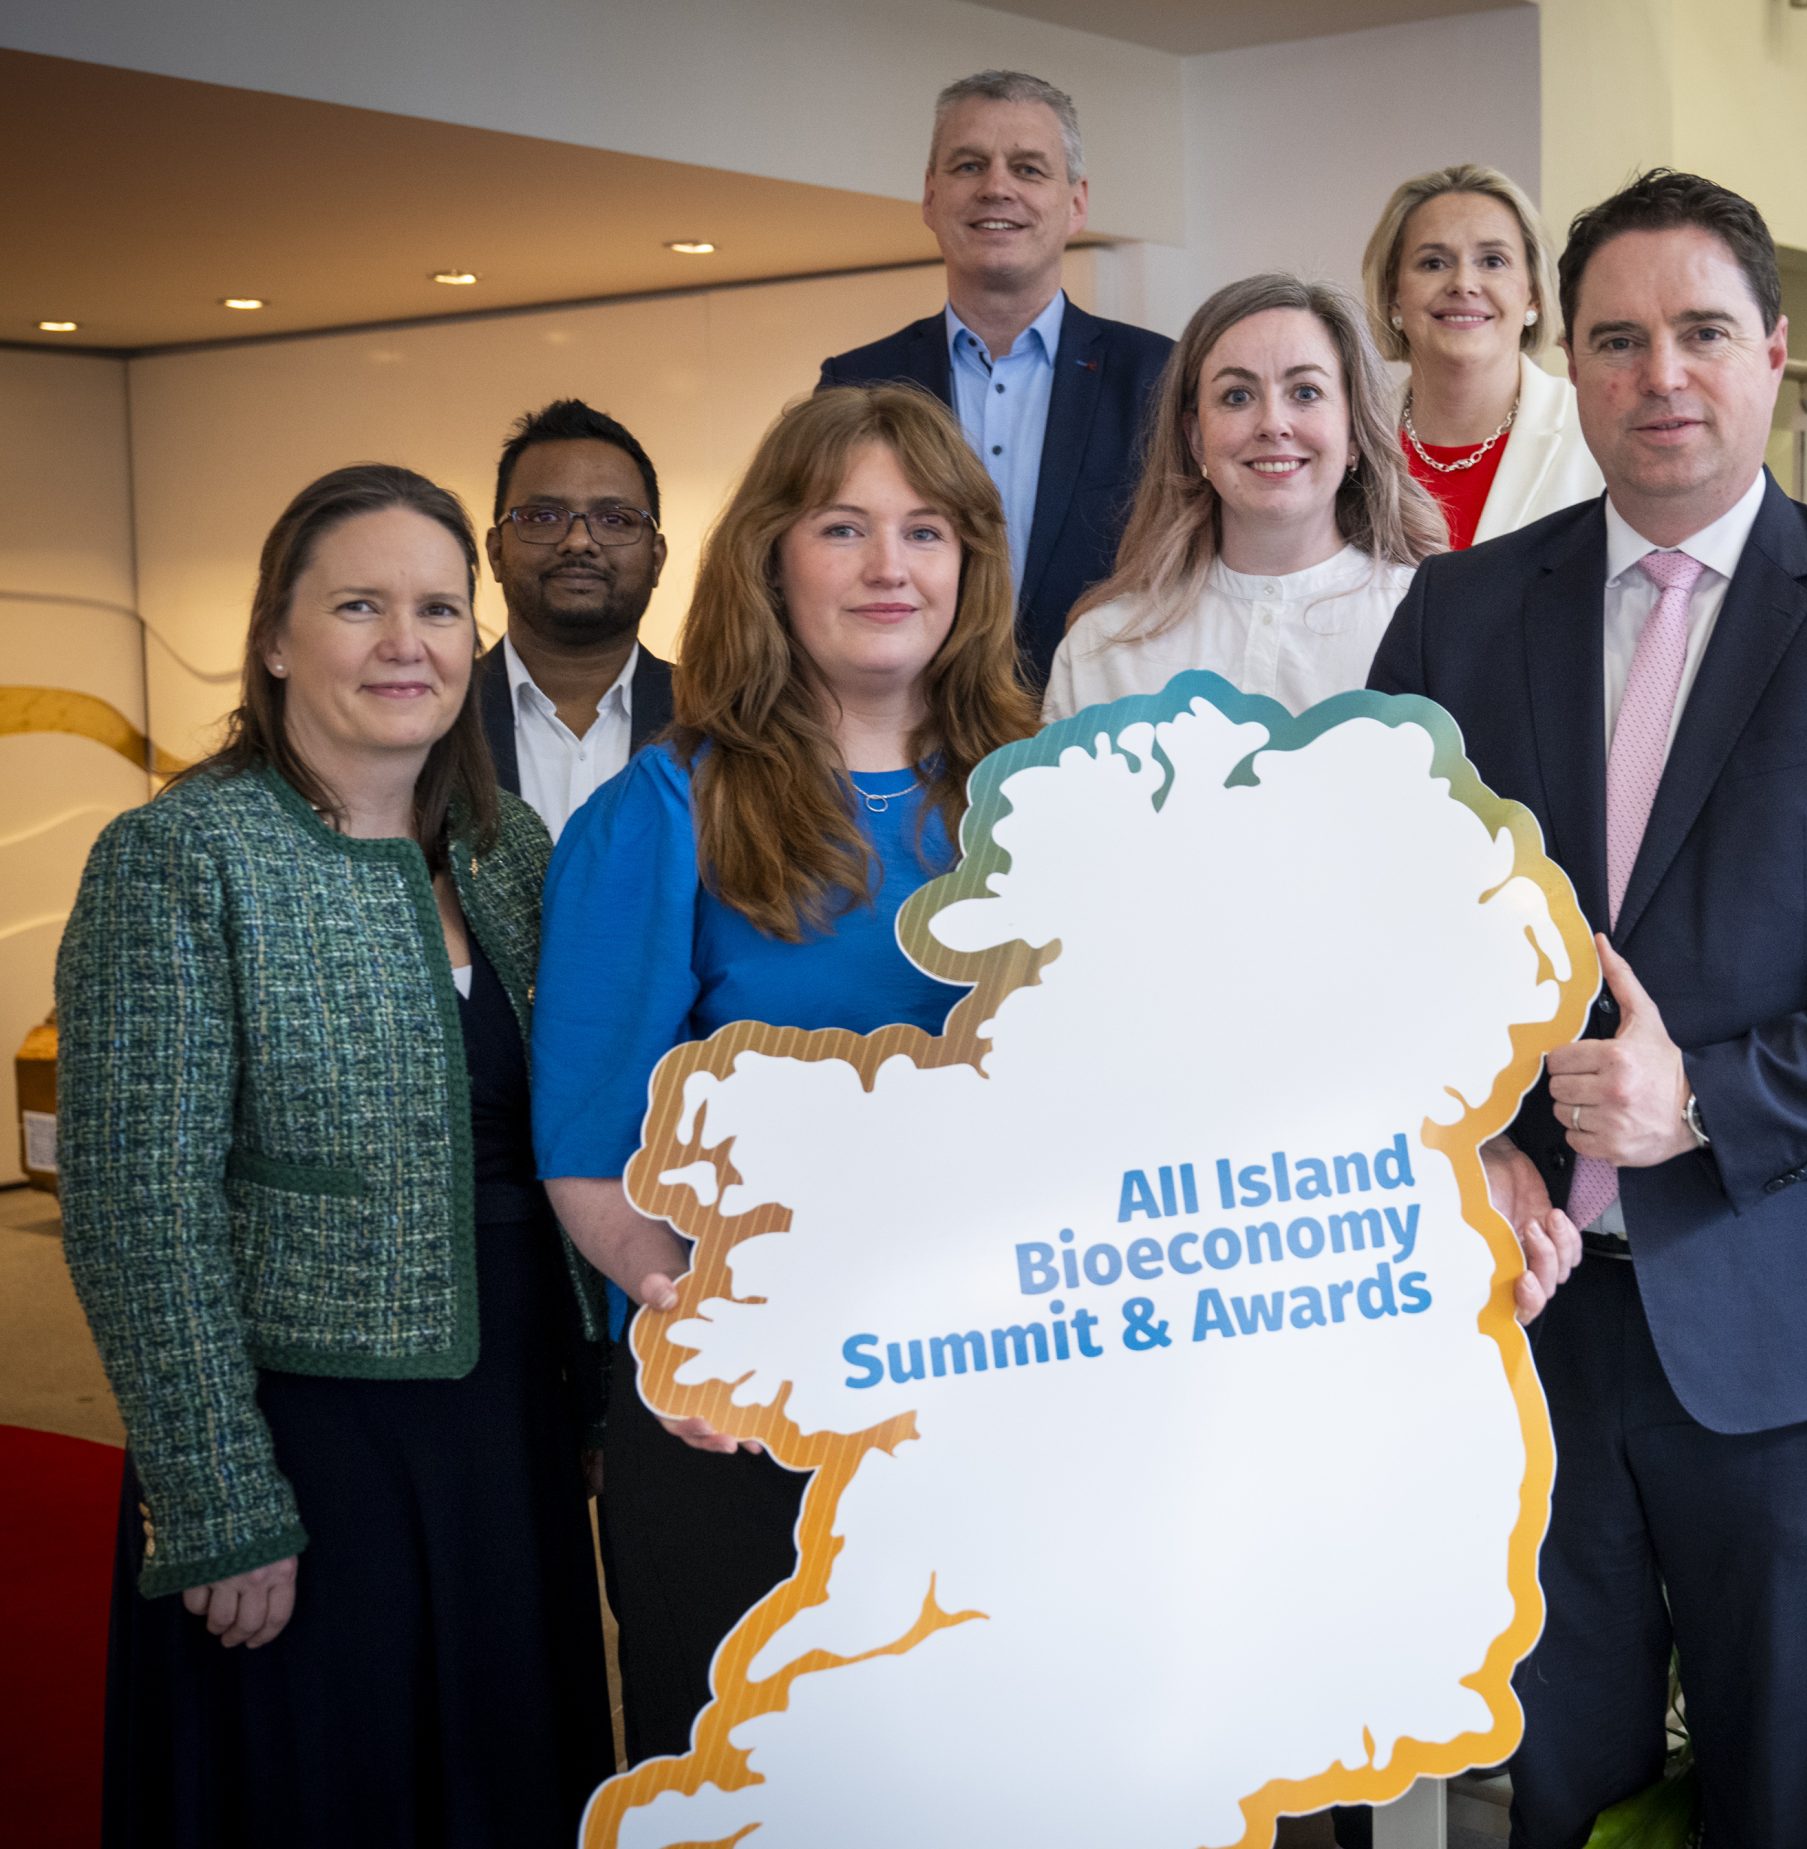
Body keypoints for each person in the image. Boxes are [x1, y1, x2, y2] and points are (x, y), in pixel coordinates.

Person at [1367, 169, 1807, 1847]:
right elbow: (1368, 943)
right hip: (1525, 1319)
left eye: (1698, 332)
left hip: (1784, 1328)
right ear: (1569, 361)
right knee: (1558, 1787)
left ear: (1772, 350)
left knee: (1775, 1793)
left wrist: (1715, 1096)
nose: (1659, 373)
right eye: (1616, 338)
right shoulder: (1463, 610)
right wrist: (1472, 1149)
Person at [55, 464, 612, 1845]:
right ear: (273, 637)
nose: (403, 643)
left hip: (506, 1422)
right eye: (358, 605)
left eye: (436, 608)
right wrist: (218, 1493)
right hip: (306, 1441)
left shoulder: (503, 848)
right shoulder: (180, 855)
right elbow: (136, 1204)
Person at [531, 384, 1041, 1766]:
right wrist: (691, 1321)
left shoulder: (1049, 797)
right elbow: (587, 1144)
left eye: (926, 530)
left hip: (1011, 1409)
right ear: (770, 557)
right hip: (752, 1426)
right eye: (844, 527)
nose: (891, 567)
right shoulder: (660, 811)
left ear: (970, 564)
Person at [816, 69, 1174, 685]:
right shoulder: (856, 384)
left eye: (1029, 168)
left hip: (1101, 734)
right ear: (930, 197)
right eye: (968, 166)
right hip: (909, 734)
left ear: (1077, 202)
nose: (996, 187)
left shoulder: (1159, 377)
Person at [1042, 272, 1445, 723]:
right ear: (1195, 439)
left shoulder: (1428, 628)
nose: (1273, 424)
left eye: (1306, 392)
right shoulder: (1104, 647)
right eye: (1237, 396)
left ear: (1355, 431)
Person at [1362, 164, 1602, 550]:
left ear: (1534, 293)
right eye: (1433, 263)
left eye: (1492, 261)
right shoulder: (1351, 445)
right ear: (1394, 295)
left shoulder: (1598, 434)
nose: (1463, 284)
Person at [477, 398, 677, 837]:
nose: (579, 541)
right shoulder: (435, 717)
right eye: (544, 516)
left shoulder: (721, 721)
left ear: (657, 559)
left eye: (615, 519)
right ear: (495, 552)